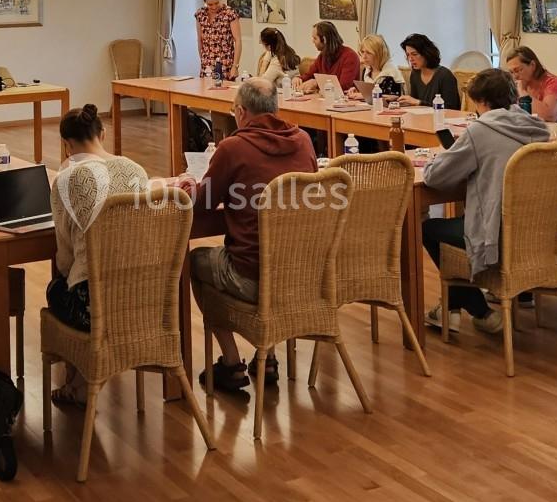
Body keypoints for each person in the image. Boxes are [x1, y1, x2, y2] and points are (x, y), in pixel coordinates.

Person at [178, 79, 316, 391]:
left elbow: (204, 204)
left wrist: (190, 186)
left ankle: (230, 361)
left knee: (195, 261)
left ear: (241, 112)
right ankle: (268, 357)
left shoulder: (233, 147)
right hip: (301, 272)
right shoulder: (304, 140)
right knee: (268, 248)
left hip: (252, 274)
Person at [420, 68, 549, 334]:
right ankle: (452, 309)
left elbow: (435, 177)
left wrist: (440, 157)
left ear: (482, 101)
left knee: (429, 229)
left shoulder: (480, 131)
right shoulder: (536, 127)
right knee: (458, 223)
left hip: (496, 235)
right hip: (536, 234)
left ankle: (479, 310)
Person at [47, 105, 151, 406]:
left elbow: (65, 261)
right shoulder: (135, 170)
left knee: (57, 288)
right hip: (143, 298)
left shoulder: (67, 179)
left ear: (66, 144)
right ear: (102, 134)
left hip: (92, 307)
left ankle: (78, 380)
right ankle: (84, 381)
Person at [505, 46, 557, 122]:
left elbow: (550, 116)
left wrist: (522, 92)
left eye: (518, 70)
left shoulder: (555, 83)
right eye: (511, 72)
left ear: (532, 65)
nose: (515, 76)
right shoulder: (521, 83)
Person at [395, 33, 461, 109]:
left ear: (426, 53)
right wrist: (396, 100)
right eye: (408, 55)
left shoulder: (445, 75)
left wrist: (419, 102)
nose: (410, 59)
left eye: (414, 54)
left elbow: (451, 108)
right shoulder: (415, 74)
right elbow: (414, 103)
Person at [292, 22, 360, 94]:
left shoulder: (350, 56)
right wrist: (298, 78)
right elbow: (308, 75)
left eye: (315, 38)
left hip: (345, 99)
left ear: (324, 39)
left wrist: (317, 83)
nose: (312, 41)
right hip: (325, 98)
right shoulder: (322, 56)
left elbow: (343, 86)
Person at [195, 0, 242, 80]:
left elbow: (238, 40)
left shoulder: (229, 13)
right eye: (210, 4)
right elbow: (200, 40)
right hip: (207, 64)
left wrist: (235, 66)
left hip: (225, 63)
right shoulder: (200, 14)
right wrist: (202, 60)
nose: (214, 7)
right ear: (205, 2)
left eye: (217, 3)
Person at [346, 34, 403, 99]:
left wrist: (365, 96)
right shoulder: (366, 70)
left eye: (368, 53)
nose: (364, 56)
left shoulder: (391, 73)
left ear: (379, 54)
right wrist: (358, 92)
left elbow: (394, 98)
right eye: (362, 52)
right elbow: (368, 94)